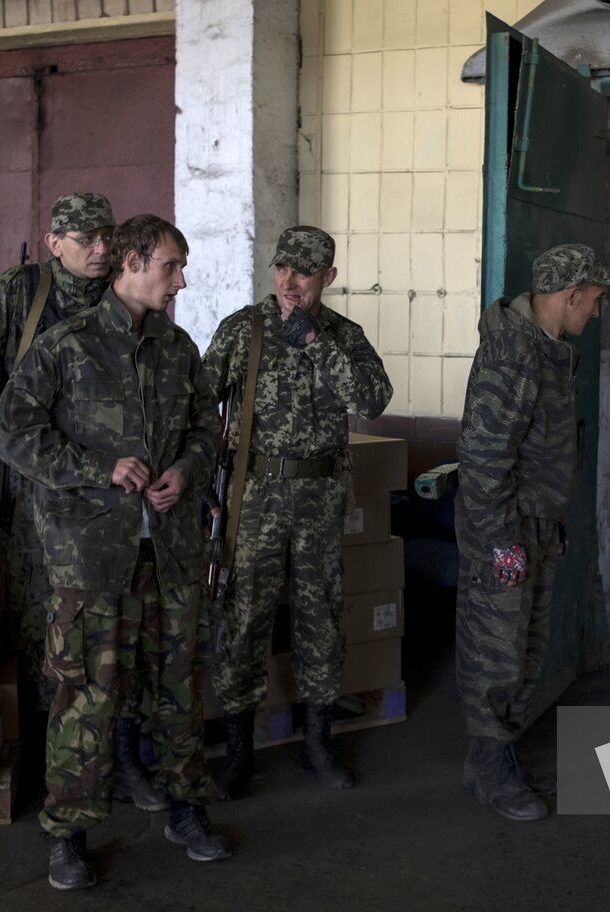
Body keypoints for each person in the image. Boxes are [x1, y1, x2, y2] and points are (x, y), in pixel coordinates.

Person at [0, 214, 231, 890]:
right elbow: (12, 432)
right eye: (170, 266)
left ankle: (186, 809)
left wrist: (185, 470)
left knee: (180, 687)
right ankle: (68, 834)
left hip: (172, 553)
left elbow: (205, 430)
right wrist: (98, 467)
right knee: (86, 697)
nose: (180, 281)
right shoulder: (66, 346)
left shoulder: (177, 348)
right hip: (93, 559)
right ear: (132, 262)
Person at [0, 193, 166, 812]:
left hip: (118, 493)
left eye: (107, 236)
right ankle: (52, 763)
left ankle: (121, 757)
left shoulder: (125, 292)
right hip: (42, 488)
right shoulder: (22, 293)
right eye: (85, 239)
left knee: (122, 625)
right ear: (54, 242)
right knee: (46, 626)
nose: (100, 249)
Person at [202, 225, 392, 798]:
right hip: (254, 497)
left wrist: (315, 341)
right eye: (282, 268)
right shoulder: (244, 329)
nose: (289, 282)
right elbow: (198, 407)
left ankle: (317, 742)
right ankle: (239, 750)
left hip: (320, 500)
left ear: (327, 277)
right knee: (245, 618)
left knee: (321, 618)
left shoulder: (342, 336)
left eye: (303, 273)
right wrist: (201, 484)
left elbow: (371, 400)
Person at [455, 243, 610, 822]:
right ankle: (490, 768)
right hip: (505, 525)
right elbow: (482, 458)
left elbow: (540, 450)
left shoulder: (549, 349)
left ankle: (498, 757)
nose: (595, 311)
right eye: (594, 300)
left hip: (537, 523)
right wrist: (503, 541)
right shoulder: (512, 353)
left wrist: (550, 523)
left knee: (526, 649)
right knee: (494, 650)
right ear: (571, 295)